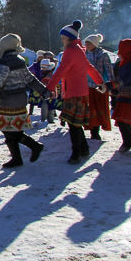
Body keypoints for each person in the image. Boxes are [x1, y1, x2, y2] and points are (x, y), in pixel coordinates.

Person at [0, 34, 50, 168]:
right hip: (20, 99)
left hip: (9, 100)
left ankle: (34, 146)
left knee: (8, 129)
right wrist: (44, 91)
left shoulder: (5, 61)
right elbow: (30, 79)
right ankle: (16, 158)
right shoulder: (20, 60)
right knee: (10, 129)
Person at [45, 21, 103, 164]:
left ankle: (76, 153)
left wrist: (49, 88)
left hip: (74, 93)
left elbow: (60, 71)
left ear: (70, 38)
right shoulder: (80, 51)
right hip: (80, 92)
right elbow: (90, 68)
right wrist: (100, 82)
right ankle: (83, 149)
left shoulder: (71, 52)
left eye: (63, 38)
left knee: (73, 124)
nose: (62, 40)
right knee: (75, 123)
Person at [83, 34, 115, 140]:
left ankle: (95, 131)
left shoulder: (103, 55)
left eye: (89, 43)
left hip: (99, 86)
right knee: (87, 109)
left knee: (97, 109)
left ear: (95, 44)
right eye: (86, 43)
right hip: (85, 86)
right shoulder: (82, 54)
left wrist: (111, 83)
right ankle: (87, 127)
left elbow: (109, 69)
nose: (87, 45)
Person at [39, 59, 57, 123]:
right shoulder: (43, 73)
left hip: (51, 92)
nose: (42, 69)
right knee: (44, 106)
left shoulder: (50, 74)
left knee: (51, 107)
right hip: (44, 93)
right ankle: (43, 119)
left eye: (44, 67)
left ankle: (50, 120)